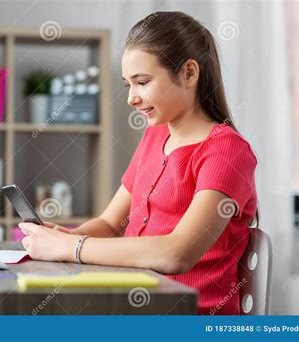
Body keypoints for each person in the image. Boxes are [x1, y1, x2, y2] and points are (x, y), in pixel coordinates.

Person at [19, 11, 258, 315]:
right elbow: (109, 224)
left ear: (188, 73)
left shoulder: (226, 151)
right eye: (127, 85)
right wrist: (66, 236)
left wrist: (71, 249)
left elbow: (177, 254)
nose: (131, 97)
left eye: (142, 82)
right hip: (136, 305)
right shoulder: (154, 137)